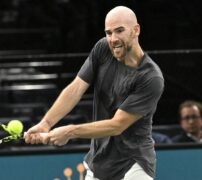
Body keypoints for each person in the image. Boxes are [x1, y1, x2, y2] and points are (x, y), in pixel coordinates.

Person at [25, 6, 164, 180]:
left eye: (119, 31)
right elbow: (76, 89)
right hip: (99, 162)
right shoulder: (102, 48)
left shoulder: (151, 78)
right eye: (109, 33)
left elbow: (117, 125)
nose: (113, 39)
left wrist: (69, 131)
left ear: (136, 30)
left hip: (134, 164)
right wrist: (46, 123)